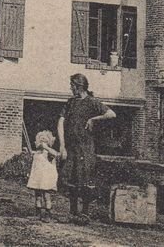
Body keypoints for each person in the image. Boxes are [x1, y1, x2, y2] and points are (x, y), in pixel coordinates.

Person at [58, 73, 116, 224]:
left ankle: (84, 212)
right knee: (68, 178)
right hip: (71, 148)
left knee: (84, 179)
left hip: (86, 148)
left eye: (72, 86)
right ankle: (72, 212)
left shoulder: (92, 102)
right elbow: (61, 121)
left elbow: (111, 114)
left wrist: (93, 119)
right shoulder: (70, 103)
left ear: (79, 87)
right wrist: (62, 146)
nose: (71, 88)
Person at [27, 130, 59, 221]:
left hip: (46, 179)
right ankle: (38, 213)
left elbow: (56, 154)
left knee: (46, 196)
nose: (42, 143)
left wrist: (46, 148)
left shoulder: (49, 152)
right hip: (37, 178)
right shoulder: (37, 153)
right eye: (40, 141)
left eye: (45, 141)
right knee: (37, 196)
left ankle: (48, 214)